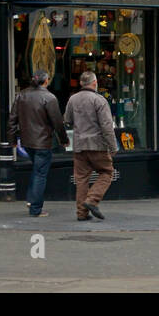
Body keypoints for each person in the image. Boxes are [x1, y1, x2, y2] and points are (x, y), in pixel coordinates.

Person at [7, 69, 68, 218]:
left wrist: (13, 140)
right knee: (40, 173)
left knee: (37, 170)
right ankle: (35, 208)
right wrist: (64, 139)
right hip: (42, 142)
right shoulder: (49, 97)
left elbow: (12, 120)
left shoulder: (21, 95)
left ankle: (31, 199)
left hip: (27, 141)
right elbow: (57, 122)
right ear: (46, 81)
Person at [64, 70, 118, 221]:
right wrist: (113, 146)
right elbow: (107, 126)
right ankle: (92, 200)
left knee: (81, 179)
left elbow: (67, 120)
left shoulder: (72, 99)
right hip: (97, 145)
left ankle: (82, 213)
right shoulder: (99, 100)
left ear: (81, 83)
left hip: (79, 145)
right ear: (95, 83)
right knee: (107, 172)